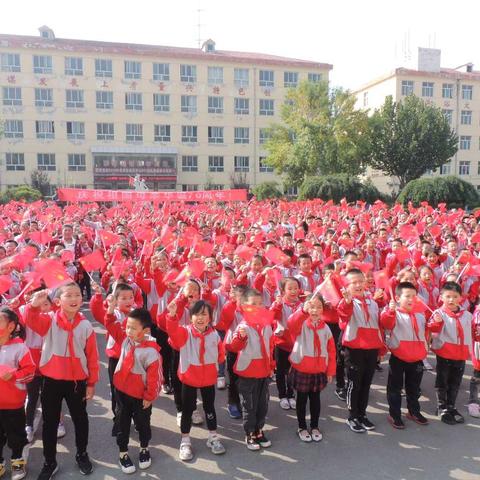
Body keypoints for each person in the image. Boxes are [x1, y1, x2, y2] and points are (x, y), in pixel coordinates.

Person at [26, 283, 99, 479]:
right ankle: (50, 462)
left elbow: (92, 356)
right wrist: (34, 305)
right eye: (69, 295)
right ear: (58, 301)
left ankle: (82, 454)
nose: (75, 298)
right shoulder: (49, 320)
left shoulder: (85, 325)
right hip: (51, 380)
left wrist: (91, 383)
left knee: (80, 419)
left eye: (77, 294)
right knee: (50, 423)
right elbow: (31, 320)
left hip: (76, 382)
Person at [105, 305, 162, 474]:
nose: (128, 330)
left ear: (145, 330)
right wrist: (109, 311)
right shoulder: (124, 338)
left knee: (143, 424)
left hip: (141, 396)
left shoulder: (152, 352)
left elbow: (155, 378)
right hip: (122, 392)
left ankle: (144, 449)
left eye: (133, 328)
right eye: (127, 326)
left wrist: (149, 396)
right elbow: (110, 325)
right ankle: (123, 453)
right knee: (122, 423)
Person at [166, 300, 226, 461]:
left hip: (208, 379)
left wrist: (218, 360)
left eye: (204, 314)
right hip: (189, 378)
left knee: (209, 408)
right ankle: (185, 440)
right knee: (187, 410)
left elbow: (221, 354)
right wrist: (171, 316)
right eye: (196, 314)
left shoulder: (214, 335)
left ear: (210, 318)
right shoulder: (185, 332)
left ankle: (213, 437)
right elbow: (172, 332)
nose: (200, 318)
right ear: (190, 317)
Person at [226, 289, 274, 451]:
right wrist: (240, 337)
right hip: (247, 373)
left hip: (263, 372)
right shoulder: (243, 326)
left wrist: (271, 366)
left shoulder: (267, 325)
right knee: (249, 405)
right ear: (244, 306)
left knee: (263, 404)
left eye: (260, 304)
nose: (258, 307)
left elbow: (270, 347)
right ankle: (250, 433)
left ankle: (259, 430)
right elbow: (233, 347)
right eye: (253, 304)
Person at [337, 268, 383, 433]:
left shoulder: (373, 302)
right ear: (347, 286)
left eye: (360, 281)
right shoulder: (347, 303)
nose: (357, 285)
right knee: (354, 384)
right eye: (353, 282)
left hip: (371, 349)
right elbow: (343, 318)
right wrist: (347, 302)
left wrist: (380, 347)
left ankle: (362, 414)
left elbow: (379, 324)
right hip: (354, 348)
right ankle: (352, 416)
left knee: (366, 383)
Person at [380, 282, 429, 429]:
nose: (411, 299)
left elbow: (430, 328)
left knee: (413, 387)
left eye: (414, 296)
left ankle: (413, 411)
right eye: (407, 296)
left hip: (417, 357)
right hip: (399, 357)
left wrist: (437, 321)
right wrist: (390, 311)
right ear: (397, 298)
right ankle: (394, 414)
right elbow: (386, 323)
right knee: (395, 388)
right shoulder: (393, 312)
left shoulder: (420, 314)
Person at [287, 294, 335, 442]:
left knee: (315, 400)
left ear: (323, 309)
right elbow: (291, 323)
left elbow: (331, 350)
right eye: (312, 307)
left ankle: (314, 426)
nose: (315, 310)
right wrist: (302, 311)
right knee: (301, 400)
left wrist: (330, 370)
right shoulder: (301, 323)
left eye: (318, 307)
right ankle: (301, 427)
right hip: (302, 368)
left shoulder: (326, 327)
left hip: (318, 370)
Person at [428, 281, 473, 425]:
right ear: (441, 297)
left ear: (461, 298)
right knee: (443, 381)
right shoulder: (438, 313)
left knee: (455, 382)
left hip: (461, 354)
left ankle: (451, 406)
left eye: (455, 296)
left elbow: (471, 333)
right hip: (445, 353)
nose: (451, 300)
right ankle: (441, 407)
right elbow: (432, 330)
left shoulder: (467, 315)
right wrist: (436, 322)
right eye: (448, 296)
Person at [0, 308, 35, 480]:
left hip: (13, 403)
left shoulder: (19, 348)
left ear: (11, 326)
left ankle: (17, 459)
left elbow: (30, 372)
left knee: (16, 434)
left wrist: (14, 374)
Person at [270, 277, 302, 410]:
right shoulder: (279, 303)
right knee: (281, 371)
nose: (293, 291)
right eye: (290, 288)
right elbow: (272, 317)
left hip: (296, 344)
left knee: (293, 371)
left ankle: (291, 394)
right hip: (281, 343)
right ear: (283, 291)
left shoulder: (301, 305)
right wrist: (277, 305)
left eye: (296, 288)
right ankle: (282, 395)